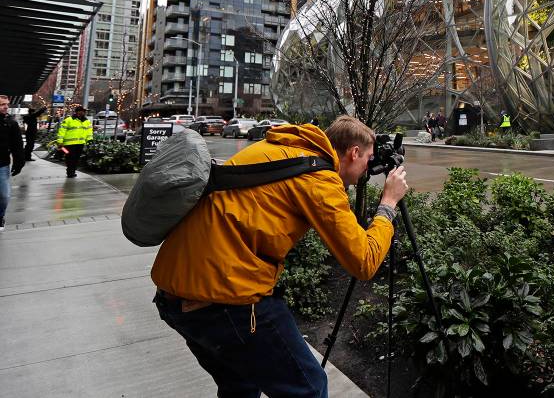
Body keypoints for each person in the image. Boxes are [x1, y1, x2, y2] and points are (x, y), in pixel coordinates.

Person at [151, 115, 409, 397]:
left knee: (240, 384)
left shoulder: (280, 148)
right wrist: (388, 204)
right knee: (308, 388)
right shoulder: (318, 179)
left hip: (175, 293)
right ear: (354, 152)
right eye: (367, 160)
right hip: (223, 298)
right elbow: (364, 261)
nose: (366, 169)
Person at [0, 95, 25, 232]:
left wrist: (19, 162)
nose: (6, 107)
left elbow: (17, 145)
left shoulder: (11, 123)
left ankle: (0, 216)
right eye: (2, 104)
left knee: (4, 196)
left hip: (2, 165)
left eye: (7, 104)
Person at [55, 106, 93, 178]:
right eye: (82, 111)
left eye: (84, 111)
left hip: (80, 144)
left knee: (76, 158)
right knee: (70, 158)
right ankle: (70, 172)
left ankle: (72, 171)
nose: (84, 112)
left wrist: (90, 140)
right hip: (69, 144)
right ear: (77, 111)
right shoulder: (69, 120)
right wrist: (60, 141)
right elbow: (62, 131)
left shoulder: (87, 121)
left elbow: (89, 131)